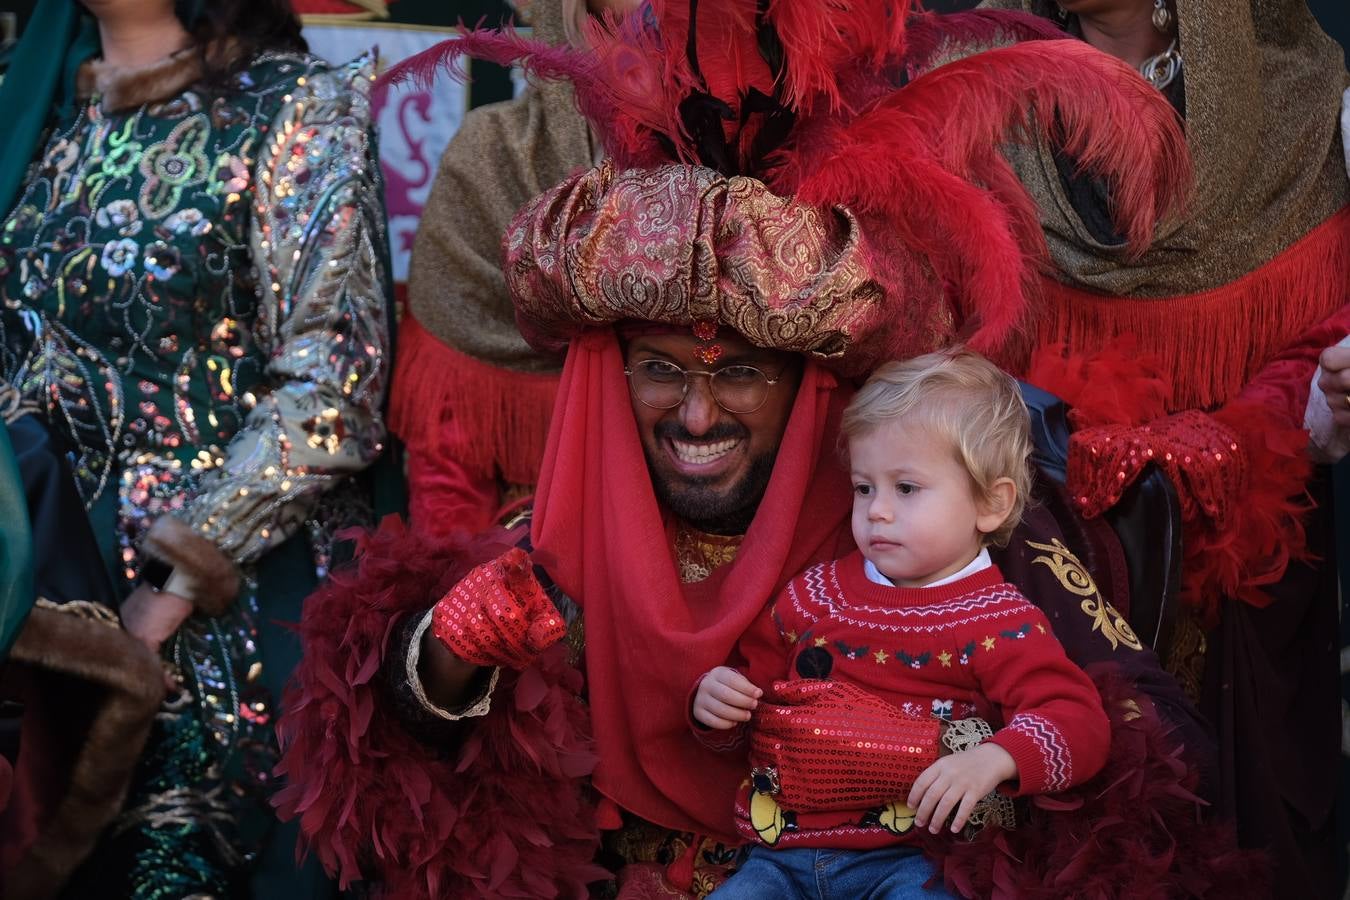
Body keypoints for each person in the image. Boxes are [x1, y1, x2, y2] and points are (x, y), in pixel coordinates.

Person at [277, 4, 1244, 898]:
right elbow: (416, 809)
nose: (696, 417)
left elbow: (1154, 749)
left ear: (812, 380)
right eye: (660, 370)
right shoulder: (557, 547)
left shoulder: (929, 528)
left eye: (740, 373)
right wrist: (444, 656)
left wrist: (966, 751)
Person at [0, 0, 392, 896]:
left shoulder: (296, 108)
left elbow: (336, 382)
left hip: (223, 624)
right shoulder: (39, 120)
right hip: (47, 611)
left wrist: (169, 589)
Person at [971, 0, 1350, 892]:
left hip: (1256, 543)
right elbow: (955, 309)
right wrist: (1065, 437)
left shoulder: (1294, 84)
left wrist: (1246, 431)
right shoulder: (979, 76)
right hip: (1051, 533)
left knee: (1249, 819)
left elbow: (1327, 313)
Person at [694, 351, 1109, 898]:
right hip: (780, 856)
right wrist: (715, 704)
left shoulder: (1001, 622)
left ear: (990, 503)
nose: (877, 511)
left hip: (914, 858)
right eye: (865, 488)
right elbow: (755, 701)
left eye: (906, 489)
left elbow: (1078, 721)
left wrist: (998, 757)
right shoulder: (814, 596)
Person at [391, 0, 638, 537]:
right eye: (607, 23)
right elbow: (448, 449)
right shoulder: (490, 156)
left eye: (666, 25)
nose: (633, 50)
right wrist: (456, 596)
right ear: (559, 23)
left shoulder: (743, 173)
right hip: (519, 559)